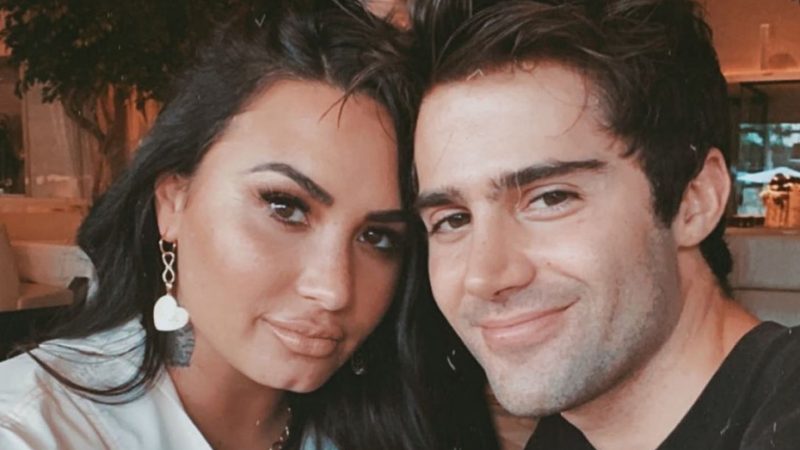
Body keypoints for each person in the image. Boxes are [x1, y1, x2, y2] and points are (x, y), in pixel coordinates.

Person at [0, 2, 432, 449]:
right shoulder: (30, 432)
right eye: (285, 208)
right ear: (173, 202)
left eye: (377, 237)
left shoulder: (378, 427)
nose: (334, 289)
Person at [406, 0, 800, 449]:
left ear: (695, 201)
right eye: (453, 219)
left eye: (551, 198)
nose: (484, 277)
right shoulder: (565, 432)